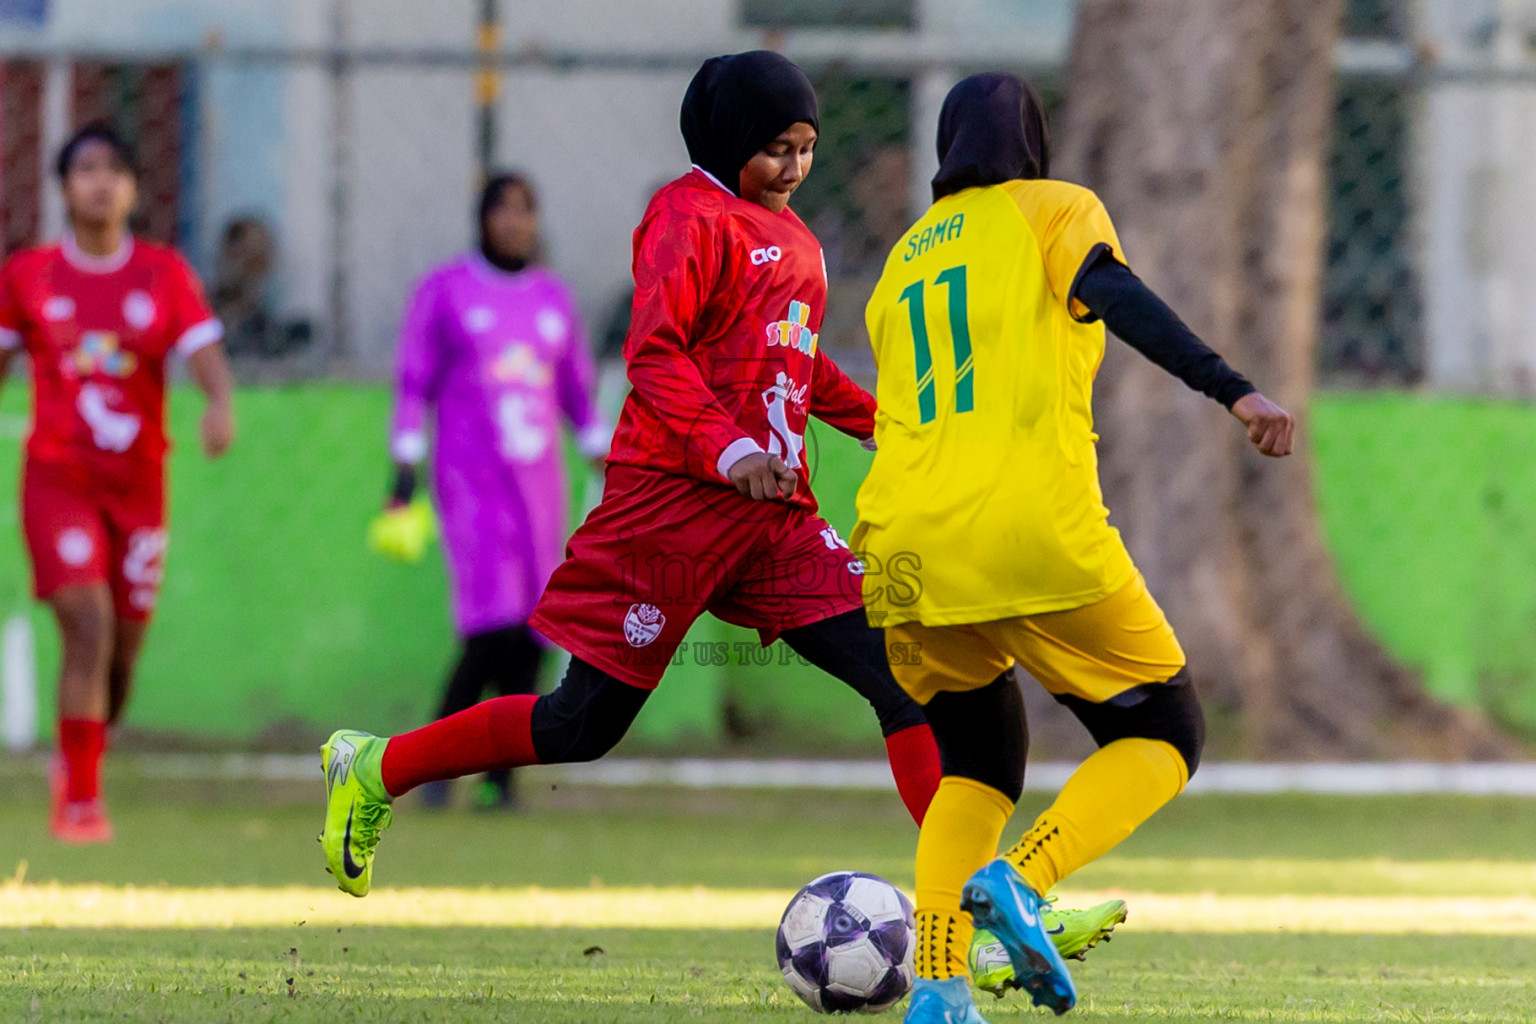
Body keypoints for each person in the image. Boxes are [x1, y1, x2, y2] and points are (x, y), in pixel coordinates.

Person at [316, 52, 1123, 964]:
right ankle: (376, 766)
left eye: (807, 148)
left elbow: (796, 362)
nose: (794, 167)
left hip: (775, 520)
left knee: (904, 672)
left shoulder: (797, 240)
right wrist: (731, 450)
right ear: (729, 137)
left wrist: (885, 425)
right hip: (670, 512)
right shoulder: (685, 217)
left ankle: (982, 910)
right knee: (581, 725)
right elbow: (656, 355)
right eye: (777, 148)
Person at [852, 74, 1295, 1022]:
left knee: (975, 765)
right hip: (1028, 528)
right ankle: (1022, 879)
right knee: (1166, 732)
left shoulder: (900, 263)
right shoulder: (1053, 208)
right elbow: (1118, 296)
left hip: (902, 548)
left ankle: (939, 989)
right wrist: (1233, 389)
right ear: (1031, 145)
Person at [0, 124, 236, 843]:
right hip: (59, 480)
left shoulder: (163, 273)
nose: (100, 182)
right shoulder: (29, 275)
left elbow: (203, 348)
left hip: (139, 488)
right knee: (88, 623)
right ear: (64, 187)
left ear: (134, 188)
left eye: (114, 169)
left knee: (122, 655)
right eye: (85, 169)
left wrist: (219, 404)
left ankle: (78, 757)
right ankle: (81, 802)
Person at [367, 172, 608, 810]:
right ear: (482, 218)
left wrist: (601, 451)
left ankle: (500, 781)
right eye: (502, 209)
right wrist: (405, 465)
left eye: (525, 210)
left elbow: (576, 390)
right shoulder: (446, 292)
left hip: (539, 486)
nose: (513, 221)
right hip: (470, 483)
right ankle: (429, 767)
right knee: (490, 626)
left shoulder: (552, 299)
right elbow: (414, 382)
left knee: (533, 627)